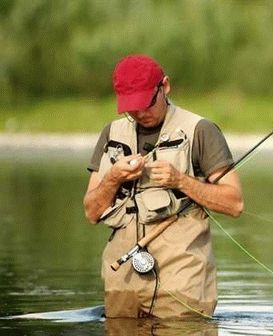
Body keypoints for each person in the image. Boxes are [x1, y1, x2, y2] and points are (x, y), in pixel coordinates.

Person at [83, 54, 243, 318]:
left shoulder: (200, 130)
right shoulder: (111, 134)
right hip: (121, 279)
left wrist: (180, 180)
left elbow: (235, 203)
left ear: (165, 86)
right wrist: (112, 177)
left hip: (183, 282)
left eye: (146, 103)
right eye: (131, 107)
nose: (141, 113)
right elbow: (91, 213)